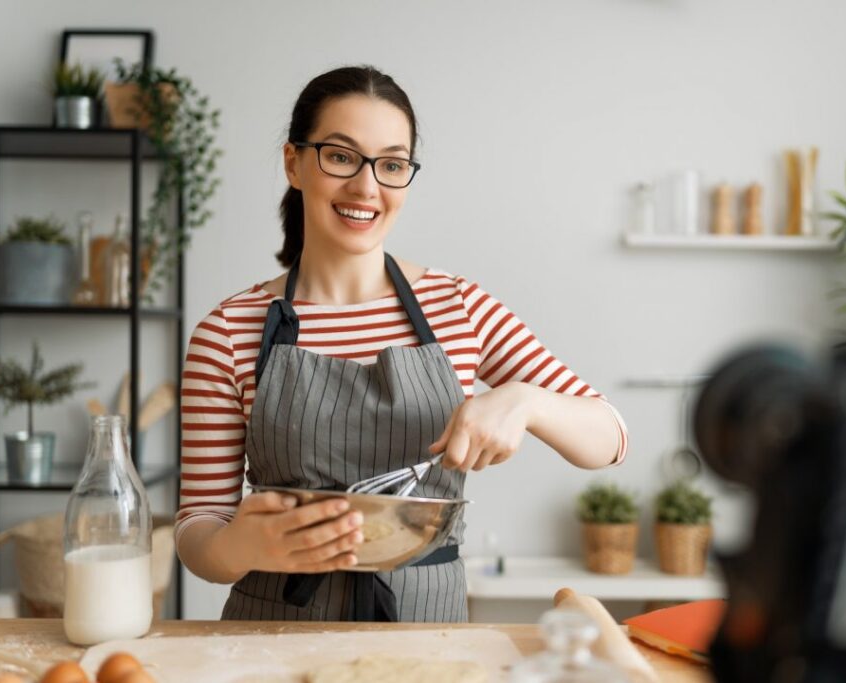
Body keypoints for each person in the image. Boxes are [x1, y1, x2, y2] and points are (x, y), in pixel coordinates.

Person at [174, 65, 628, 622]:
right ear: (294, 163)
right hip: (270, 635)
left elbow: (608, 437)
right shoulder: (228, 332)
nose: (367, 187)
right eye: (341, 156)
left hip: (429, 637)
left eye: (391, 165)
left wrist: (525, 400)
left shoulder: (457, 307)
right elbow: (198, 524)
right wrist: (239, 546)